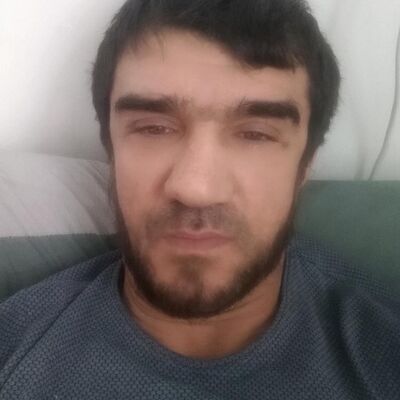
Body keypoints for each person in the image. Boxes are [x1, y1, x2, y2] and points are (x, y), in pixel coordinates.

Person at [0, 0, 399, 398]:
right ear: (111, 150)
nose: (196, 189)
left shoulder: (383, 352)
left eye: (256, 134)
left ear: (305, 164)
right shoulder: (14, 352)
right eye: (153, 128)